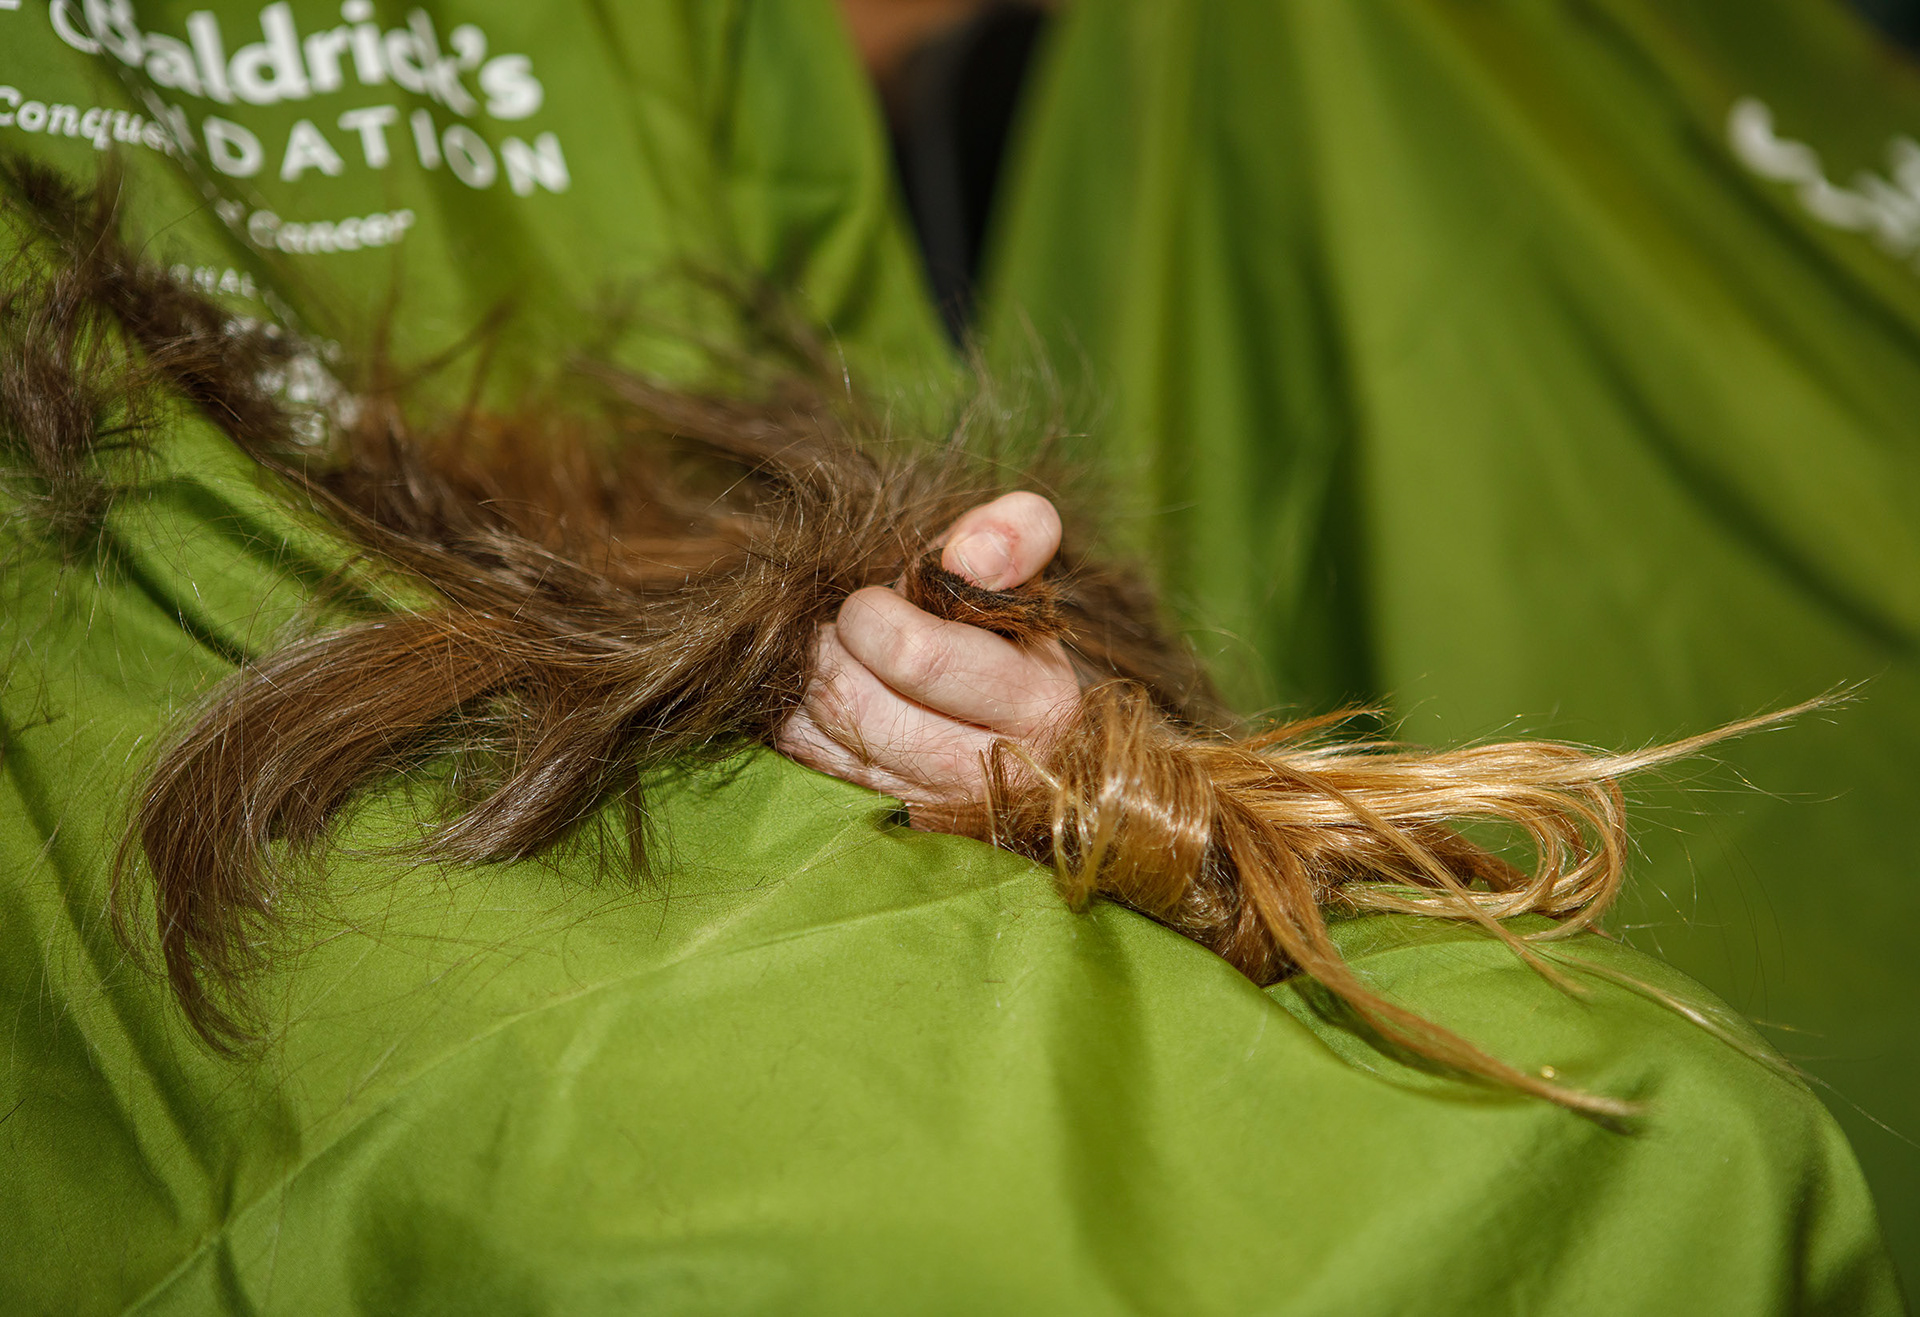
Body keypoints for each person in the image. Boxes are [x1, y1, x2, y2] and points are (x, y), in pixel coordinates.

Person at [0, 3, 1904, 1312]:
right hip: (224, 830)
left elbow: (850, 401)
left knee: (1690, 1139)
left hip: (770, 779)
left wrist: (977, 637)